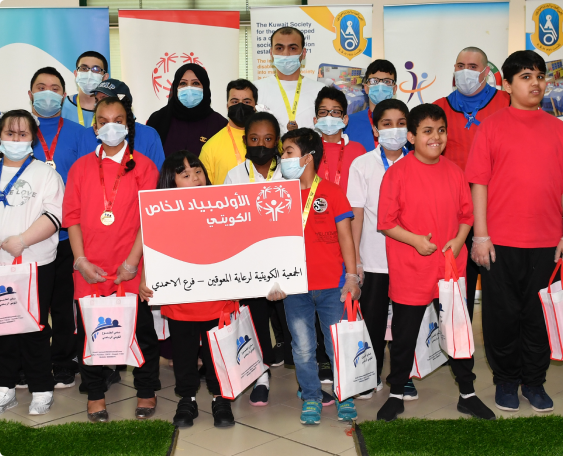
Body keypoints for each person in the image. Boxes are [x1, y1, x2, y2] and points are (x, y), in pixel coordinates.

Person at [376, 104, 495, 422]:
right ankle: (397, 393)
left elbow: (467, 216)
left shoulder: (455, 172)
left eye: (441, 130)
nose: (436, 137)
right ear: (411, 137)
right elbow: (386, 222)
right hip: (411, 271)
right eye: (427, 131)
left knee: (458, 331)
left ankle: (467, 394)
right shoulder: (396, 174)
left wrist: (459, 240)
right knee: (403, 336)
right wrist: (415, 241)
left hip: (450, 269)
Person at [466, 51, 563, 414]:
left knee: (539, 316)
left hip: (547, 242)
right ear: (506, 85)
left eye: (540, 76)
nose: (535, 83)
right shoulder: (491, 127)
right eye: (525, 76)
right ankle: (506, 379)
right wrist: (480, 236)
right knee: (502, 315)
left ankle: (534, 381)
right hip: (499, 241)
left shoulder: (558, 129)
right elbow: (479, 183)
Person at [63, 97, 161, 423]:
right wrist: (80, 260)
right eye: (103, 121)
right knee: (90, 333)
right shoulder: (80, 168)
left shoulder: (144, 166)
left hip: (131, 266)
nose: (111, 127)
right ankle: (95, 395)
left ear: (128, 125)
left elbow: (149, 219)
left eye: (118, 120)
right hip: (90, 267)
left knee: (142, 331)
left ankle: (146, 389)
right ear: (95, 128)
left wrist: (132, 263)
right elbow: (72, 218)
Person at [270, 128, 361, 425]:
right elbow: (268, 242)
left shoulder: (332, 192)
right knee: (303, 347)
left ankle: (345, 395)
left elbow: (346, 238)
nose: (283, 158)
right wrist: (272, 280)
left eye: (288, 152)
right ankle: (311, 395)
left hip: (333, 286)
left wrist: (351, 276)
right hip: (295, 288)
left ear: (307, 158)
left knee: (337, 346)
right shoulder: (277, 197)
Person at [139, 151, 236, 429]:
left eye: (198, 171)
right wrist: (145, 278)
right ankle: (187, 398)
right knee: (183, 353)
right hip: (180, 301)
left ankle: (220, 398)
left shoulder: (222, 205)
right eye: (185, 175)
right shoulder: (160, 211)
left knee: (217, 353)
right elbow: (152, 247)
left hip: (217, 300)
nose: (195, 178)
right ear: (171, 182)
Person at [347, 99, 418, 401]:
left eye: (401, 123)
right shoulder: (362, 164)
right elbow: (356, 215)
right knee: (373, 322)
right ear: (375, 129)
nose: (394, 130)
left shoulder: (419, 162)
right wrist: (356, 259)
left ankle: (403, 377)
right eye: (387, 124)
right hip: (374, 260)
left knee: (406, 323)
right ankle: (371, 374)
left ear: (410, 130)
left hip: (410, 258)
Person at [433, 47, 511, 321]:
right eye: (460, 66)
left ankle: (500, 342)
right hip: (454, 213)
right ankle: (459, 344)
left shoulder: (507, 103)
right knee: (456, 285)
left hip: (498, 210)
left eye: (473, 67)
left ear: (487, 72)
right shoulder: (438, 109)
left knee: (500, 287)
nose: (465, 71)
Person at [224, 112, 293, 407]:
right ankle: (261, 375)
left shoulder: (290, 172)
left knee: (293, 320)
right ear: (245, 141)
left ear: (276, 142)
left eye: (267, 139)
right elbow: (227, 220)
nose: (261, 145)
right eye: (254, 139)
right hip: (250, 262)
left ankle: (307, 378)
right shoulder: (234, 175)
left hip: (287, 260)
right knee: (256, 319)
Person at [0, 110, 65, 416]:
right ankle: (5, 385)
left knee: (34, 327)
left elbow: (54, 216)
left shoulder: (46, 174)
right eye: (9, 133)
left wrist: (22, 240)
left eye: (22, 134)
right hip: (1, 264)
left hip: (34, 263)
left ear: (33, 139)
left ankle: (41, 387)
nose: (15, 139)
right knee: (3, 326)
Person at [28, 67, 86, 389]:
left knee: (63, 304)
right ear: (30, 94)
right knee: (31, 303)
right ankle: (27, 363)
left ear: (64, 95)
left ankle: (64, 361)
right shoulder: (18, 133)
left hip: (67, 235)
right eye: (41, 87)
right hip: (28, 237)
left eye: (54, 88)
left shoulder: (80, 133)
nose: (47, 93)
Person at [79, 79, 165, 171]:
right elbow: (81, 172)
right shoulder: (88, 135)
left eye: (105, 99)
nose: (98, 105)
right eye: (97, 100)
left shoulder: (148, 135)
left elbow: (159, 175)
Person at [254, 27, 325, 135]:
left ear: (303, 53)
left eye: (292, 48)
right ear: (271, 53)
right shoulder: (256, 89)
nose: (286, 54)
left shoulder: (320, 90)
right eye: (279, 48)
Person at [147, 63, 227, 158]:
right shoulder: (158, 119)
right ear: (175, 87)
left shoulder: (220, 124)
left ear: (205, 88)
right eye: (183, 83)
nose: (189, 89)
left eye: (195, 83)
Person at [200, 79, 258, 185]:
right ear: (227, 106)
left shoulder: (270, 142)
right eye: (235, 102)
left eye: (246, 102)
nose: (240, 106)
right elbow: (203, 190)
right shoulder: (210, 148)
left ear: (255, 106)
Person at [314, 86, 366, 194]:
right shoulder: (309, 150)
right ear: (316, 120)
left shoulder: (358, 150)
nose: (329, 116)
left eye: (335, 112)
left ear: (345, 119)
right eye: (323, 112)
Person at [345, 60, 399, 152]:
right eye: (374, 81)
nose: (380, 86)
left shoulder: (404, 123)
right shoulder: (349, 123)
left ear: (394, 89)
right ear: (366, 88)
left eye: (387, 81)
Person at [61, 51, 110, 127]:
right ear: (76, 74)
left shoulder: (113, 108)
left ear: (105, 77)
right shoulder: (62, 105)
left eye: (96, 69)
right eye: (84, 68)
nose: (89, 74)